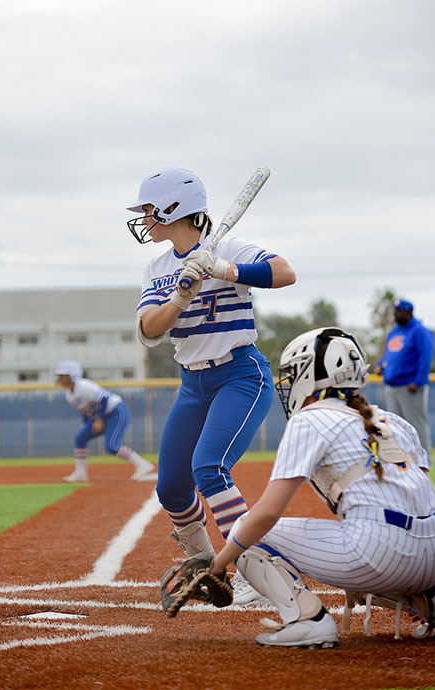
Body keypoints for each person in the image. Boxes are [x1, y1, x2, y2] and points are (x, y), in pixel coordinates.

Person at [207, 327, 435, 648]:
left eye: (294, 374)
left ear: (311, 374)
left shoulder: (309, 419)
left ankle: (307, 622)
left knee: (247, 529)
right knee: (387, 530)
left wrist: (219, 564)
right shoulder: (392, 421)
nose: (290, 384)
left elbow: (267, 513)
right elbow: (433, 504)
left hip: (382, 554)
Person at [127, 166, 296, 603]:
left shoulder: (232, 247)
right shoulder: (158, 267)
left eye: (149, 209)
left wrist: (224, 268)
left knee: (208, 467)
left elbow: (284, 272)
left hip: (240, 374)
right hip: (192, 383)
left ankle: (256, 573)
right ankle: (206, 570)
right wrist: (180, 296)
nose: (144, 218)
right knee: (172, 488)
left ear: (173, 208)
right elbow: (149, 330)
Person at [55, 360, 156, 482]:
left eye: (62, 375)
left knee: (111, 446)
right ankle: (80, 473)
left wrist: (99, 419)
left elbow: (104, 399)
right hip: (100, 416)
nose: (60, 378)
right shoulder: (69, 395)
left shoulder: (83, 386)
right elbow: (85, 410)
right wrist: (86, 424)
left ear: (72, 375)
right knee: (80, 438)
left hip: (116, 411)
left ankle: (143, 465)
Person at [375, 299, 435, 458]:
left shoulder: (420, 331)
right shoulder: (395, 331)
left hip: (410, 386)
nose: (396, 314)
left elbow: (426, 358)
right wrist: (381, 365)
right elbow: (389, 354)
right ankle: (402, 458)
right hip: (392, 386)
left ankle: (425, 460)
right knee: (394, 426)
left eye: (399, 311)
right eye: (395, 311)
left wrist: (418, 381)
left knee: (417, 425)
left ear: (408, 312)